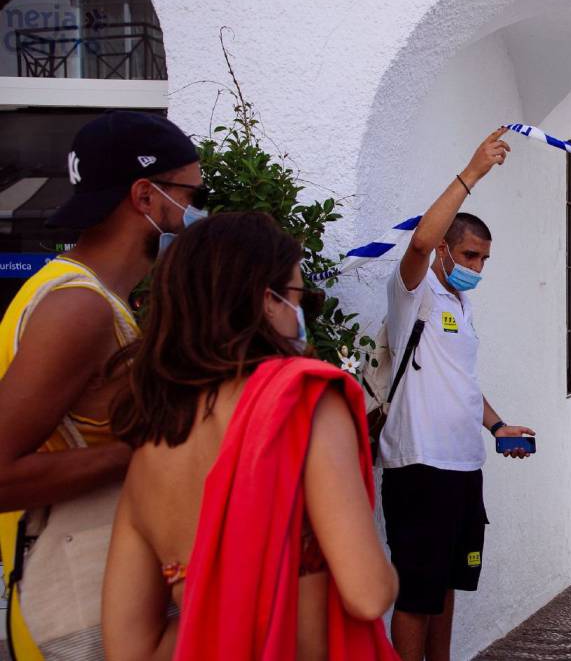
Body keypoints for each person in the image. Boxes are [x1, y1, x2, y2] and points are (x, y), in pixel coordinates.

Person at [101, 211, 398, 660]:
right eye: (301, 297)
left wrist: (224, 612)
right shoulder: (304, 400)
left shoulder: (151, 446)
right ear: (267, 301)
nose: (302, 313)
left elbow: (130, 648)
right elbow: (369, 592)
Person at [0, 111, 204, 660]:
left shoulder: (93, 300)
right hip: (71, 613)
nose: (192, 215)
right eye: (190, 194)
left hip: (96, 603)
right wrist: (143, 452)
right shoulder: (78, 309)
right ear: (145, 195)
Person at [380, 128, 535, 661]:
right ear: (446, 248)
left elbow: (462, 383)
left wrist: (497, 426)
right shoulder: (414, 294)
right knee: (416, 593)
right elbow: (418, 242)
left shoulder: (463, 309)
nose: (476, 268)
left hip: (463, 468)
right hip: (419, 466)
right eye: (469, 255)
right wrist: (473, 172)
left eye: (484, 260)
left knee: (447, 585)